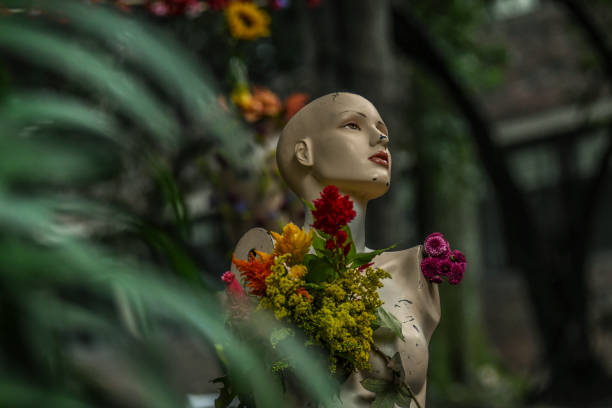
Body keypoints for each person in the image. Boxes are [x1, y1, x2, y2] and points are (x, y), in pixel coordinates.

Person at [233, 92, 440, 407]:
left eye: (382, 128)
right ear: (305, 152)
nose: (381, 137)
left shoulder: (413, 271)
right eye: (353, 125)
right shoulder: (266, 264)